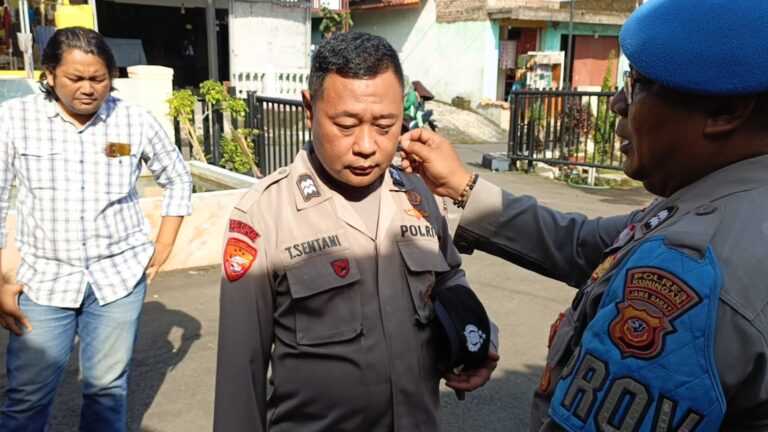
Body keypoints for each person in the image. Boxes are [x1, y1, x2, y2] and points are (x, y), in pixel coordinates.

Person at [399, 0, 768, 430]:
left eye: (638, 84)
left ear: (725, 111)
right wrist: (462, 185)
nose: (617, 103)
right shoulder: (719, 204)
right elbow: (584, 243)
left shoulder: (691, 266)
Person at [214, 32, 498, 432]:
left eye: (385, 125)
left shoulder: (416, 193)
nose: (367, 145)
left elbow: (449, 277)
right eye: (346, 125)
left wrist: (477, 338)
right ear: (309, 109)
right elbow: (239, 376)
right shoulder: (264, 215)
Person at [0, 27, 192, 431]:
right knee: (27, 395)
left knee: (107, 390)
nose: (88, 89)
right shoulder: (14, 120)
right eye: (75, 78)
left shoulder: (134, 120)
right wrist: (2, 279)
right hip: (43, 282)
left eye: (98, 78)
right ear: (50, 74)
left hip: (117, 279)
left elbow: (178, 177)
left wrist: (165, 242)